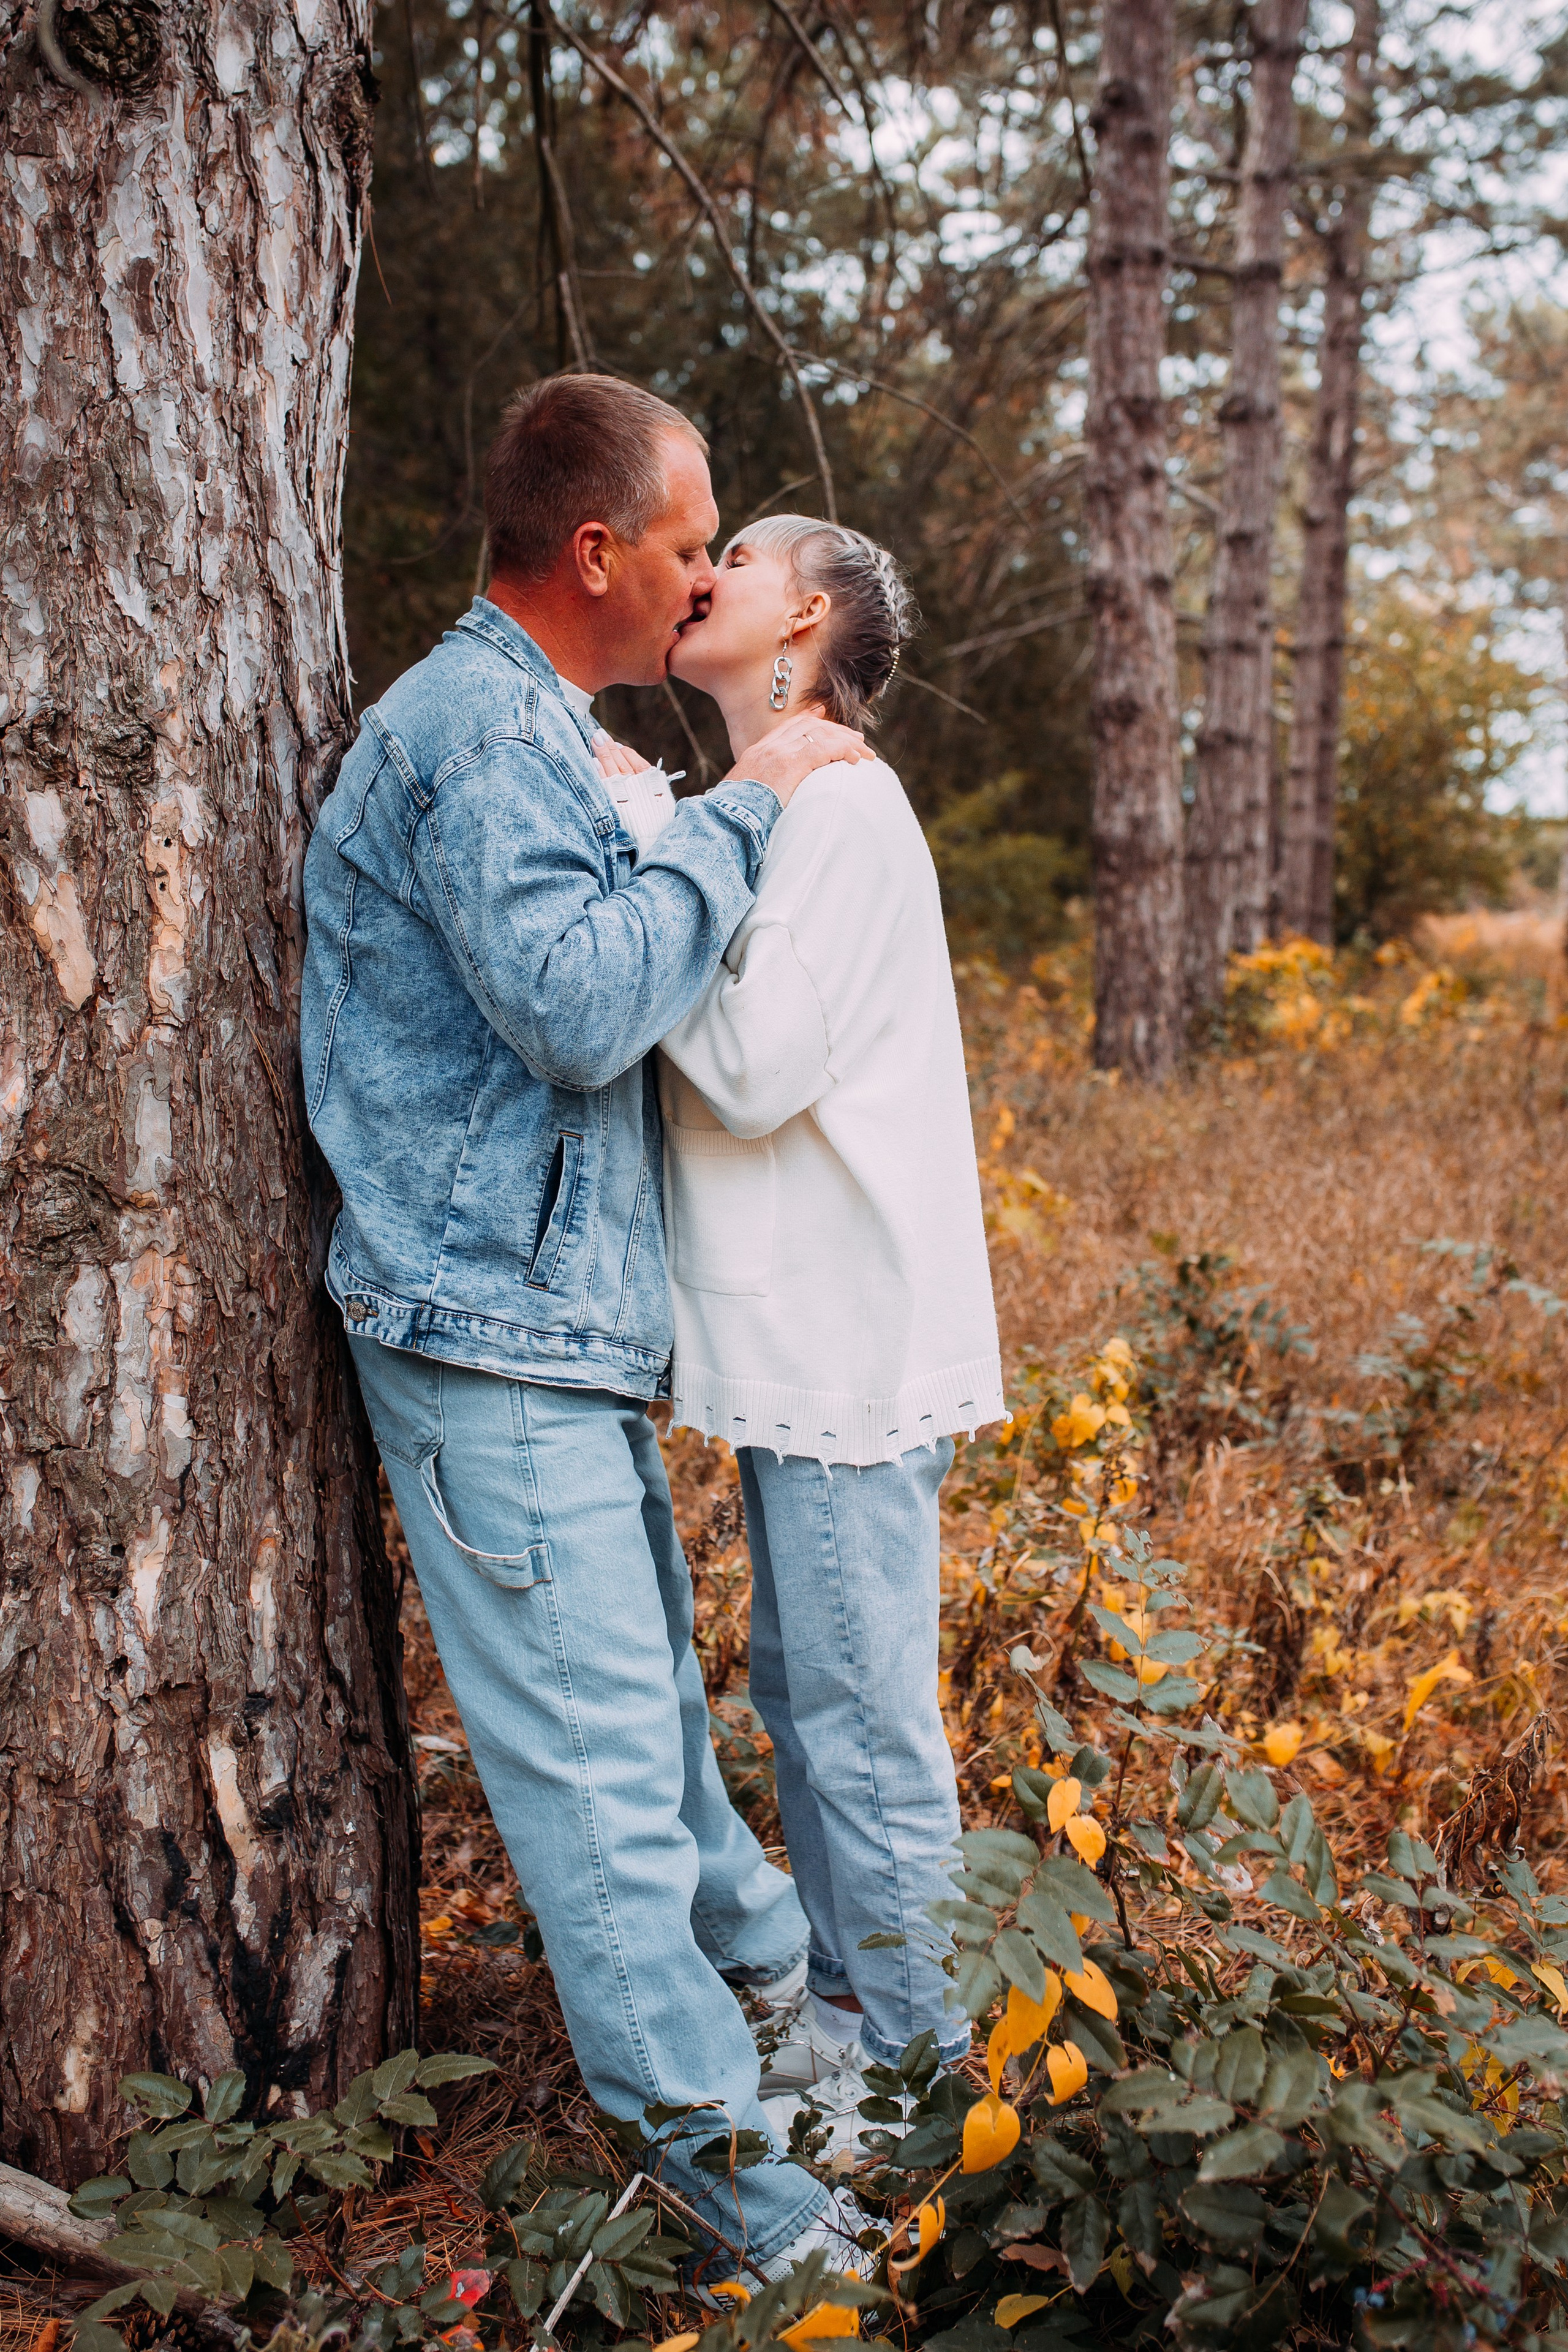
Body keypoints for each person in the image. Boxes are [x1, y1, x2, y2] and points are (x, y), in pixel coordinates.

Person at [300, 377, 878, 2277]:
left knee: (668, 1774)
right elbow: (569, 1002)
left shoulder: (539, 730)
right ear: (598, 551)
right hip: (486, 1337)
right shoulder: (474, 731)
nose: (715, 576)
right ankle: (758, 2212)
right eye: (698, 543)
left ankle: (820, 2084)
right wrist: (747, 813)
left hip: (553, 1330)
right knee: (611, 1807)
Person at [650, 514, 1005, 2150]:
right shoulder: (781, 807)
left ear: (803, 611)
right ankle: (865, 2035)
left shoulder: (838, 807)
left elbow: (748, 1063)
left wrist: (647, 847)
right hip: (812, 1355)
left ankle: (934, 2111)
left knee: (861, 1728)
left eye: (733, 548)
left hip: (854, 1357)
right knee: (810, 1698)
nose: (697, 567)